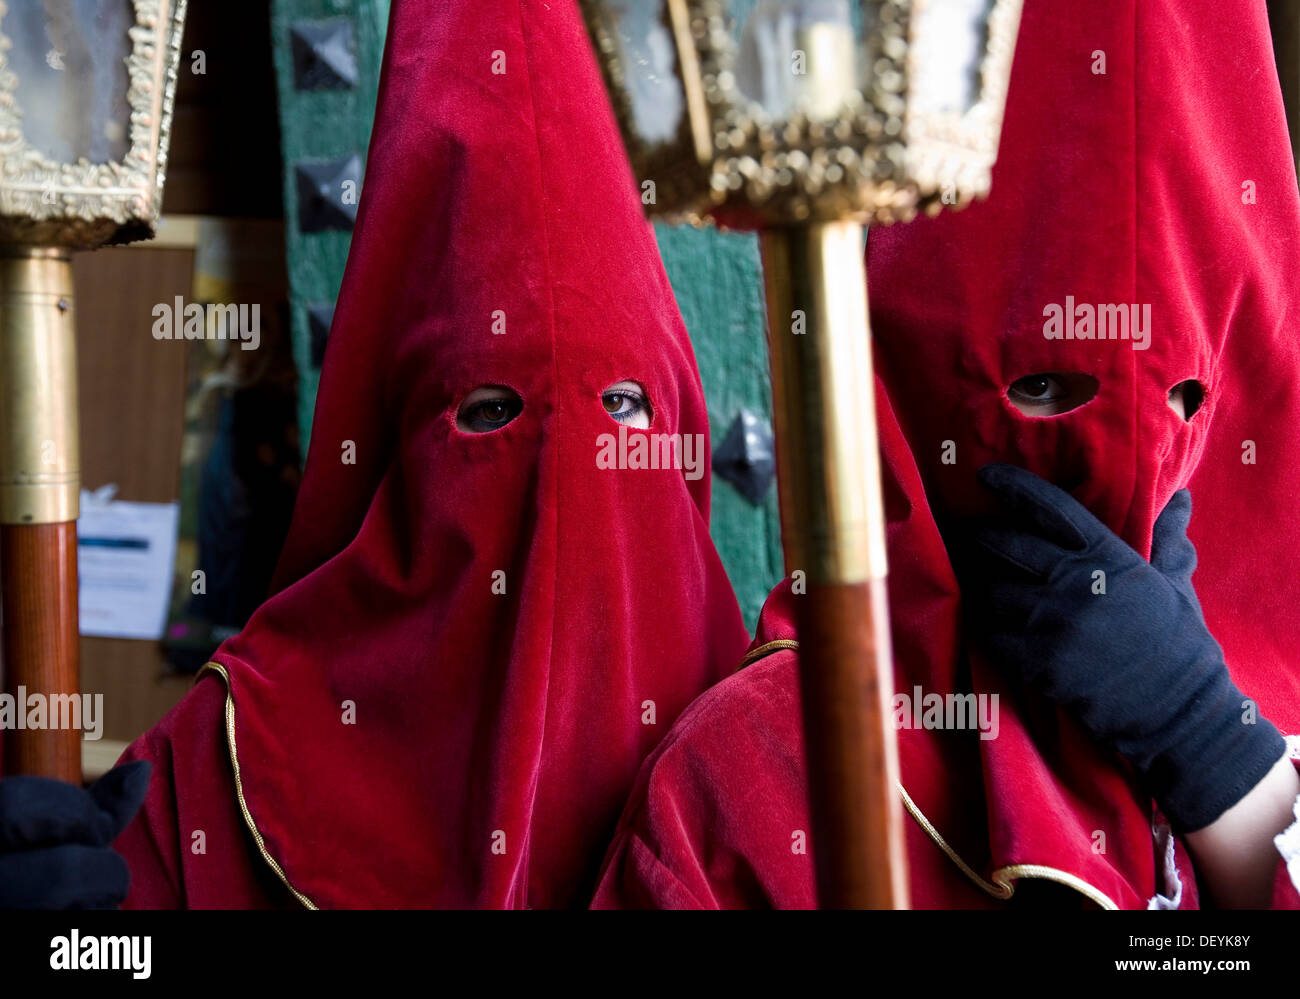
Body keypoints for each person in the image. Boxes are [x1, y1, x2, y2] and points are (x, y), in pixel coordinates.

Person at [0, 0, 749, 909]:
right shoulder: (219, 772)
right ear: (398, 449)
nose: (565, 470)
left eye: (621, 407)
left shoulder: (771, 760)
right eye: (491, 411)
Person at [591, 0, 1300, 910]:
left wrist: (1224, 766)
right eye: (1042, 389)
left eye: (1181, 399)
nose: (1118, 457)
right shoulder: (755, 774)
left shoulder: (1264, 699)